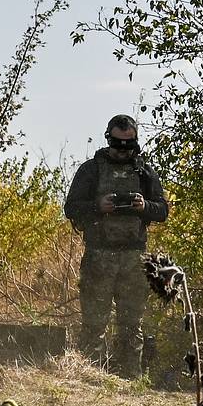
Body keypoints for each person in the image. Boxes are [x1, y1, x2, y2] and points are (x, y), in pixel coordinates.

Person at [64, 114, 169, 378]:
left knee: (131, 323)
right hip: (99, 255)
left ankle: (130, 378)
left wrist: (144, 207)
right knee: (94, 322)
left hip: (134, 257)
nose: (123, 150)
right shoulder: (91, 170)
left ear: (135, 142)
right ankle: (90, 376)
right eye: (118, 143)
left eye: (128, 144)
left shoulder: (144, 172)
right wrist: (98, 207)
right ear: (109, 139)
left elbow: (162, 210)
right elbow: (71, 208)